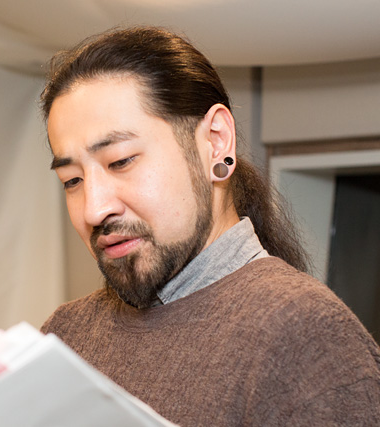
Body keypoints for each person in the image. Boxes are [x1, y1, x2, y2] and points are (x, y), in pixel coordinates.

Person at [39, 26, 380, 425]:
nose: (94, 209)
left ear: (216, 142)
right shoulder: (64, 338)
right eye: (72, 181)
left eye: (121, 161)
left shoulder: (308, 336)